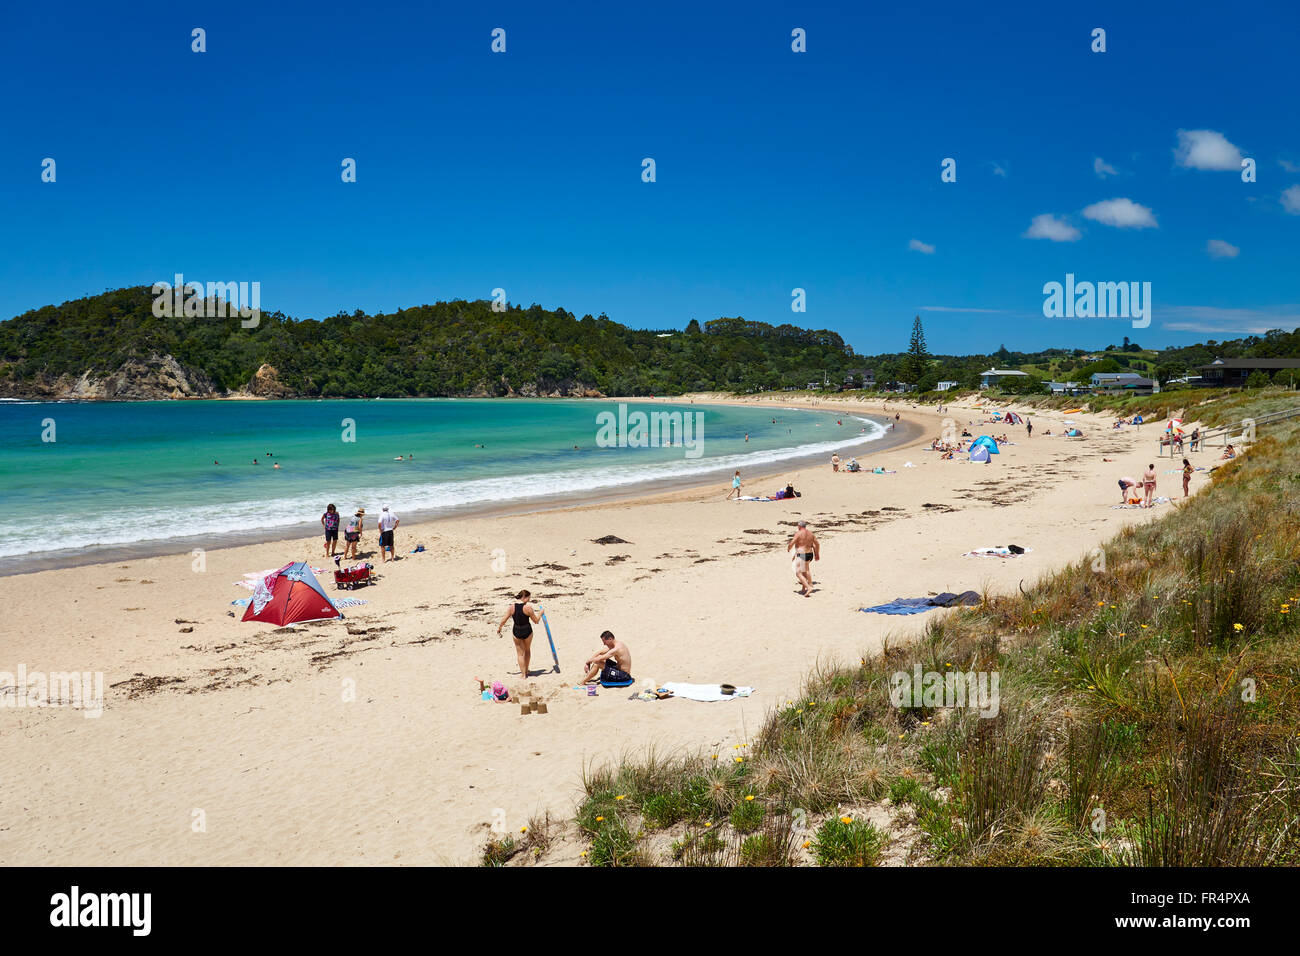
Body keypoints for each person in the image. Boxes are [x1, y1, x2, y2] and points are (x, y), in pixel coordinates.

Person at [497, 589, 542, 678]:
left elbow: (504, 620)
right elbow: (536, 621)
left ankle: (523, 674)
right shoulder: (528, 608)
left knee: (520, 654)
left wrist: (499, 628)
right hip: (527, 630)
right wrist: (540, 613)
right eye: (529, 597)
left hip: (517, 630)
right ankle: (527, 669)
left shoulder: (511, 607)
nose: (529, 599)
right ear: (525, 597)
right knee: (527, 650)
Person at [787, 520, 819, 596]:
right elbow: (817, 544)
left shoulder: (798, 533)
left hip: (802, 554)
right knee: (805, 571)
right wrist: (817, 554)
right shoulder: (811, 533)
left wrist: (789, 548)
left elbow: (792, 542)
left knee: (798, 573)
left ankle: (809, 587)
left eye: (798, 526)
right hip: (810, 554)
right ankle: (804, 588)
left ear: (800, 526)